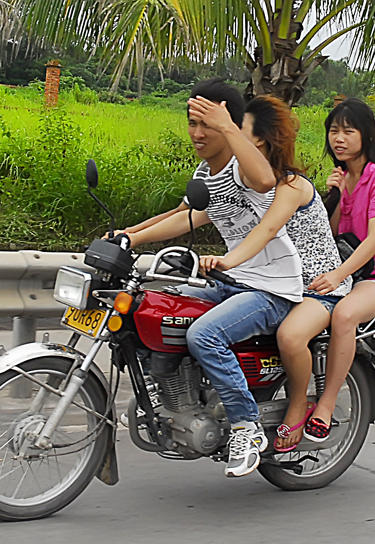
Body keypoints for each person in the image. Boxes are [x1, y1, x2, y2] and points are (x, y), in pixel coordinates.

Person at [123, 79, 304, 477]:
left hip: (271, 289)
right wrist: (128, 236)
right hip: (232, 282)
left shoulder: (245, 167)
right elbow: (185, 217)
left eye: (207, 124)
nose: (197, 133)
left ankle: (246, 426)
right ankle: (170, 398)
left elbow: (264, 181)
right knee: (154, 308)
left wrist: (227, 125)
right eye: (192, 123)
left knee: (203, 335)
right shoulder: (206, 173)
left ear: (229, 125)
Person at [200, 95, 352, 453]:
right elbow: (200, 213)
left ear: (260, 139)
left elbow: (266, 230)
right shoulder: (248, 184)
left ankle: (298, 402)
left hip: (317, 287)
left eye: (239, 128)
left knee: (290, 336)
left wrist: (228, 261)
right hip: (272, 283)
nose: (230, 133)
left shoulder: (291, 185)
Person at [302, 98, 375, 442]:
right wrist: (334, 195)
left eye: (348, 131)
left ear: (367, 135)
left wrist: (337, 276)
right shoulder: (345, 178)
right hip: (350, 274)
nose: (339, 138)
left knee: (345, 315)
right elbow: (333, 233)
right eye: (334, 130)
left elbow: (374, 241)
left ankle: (326, 404)